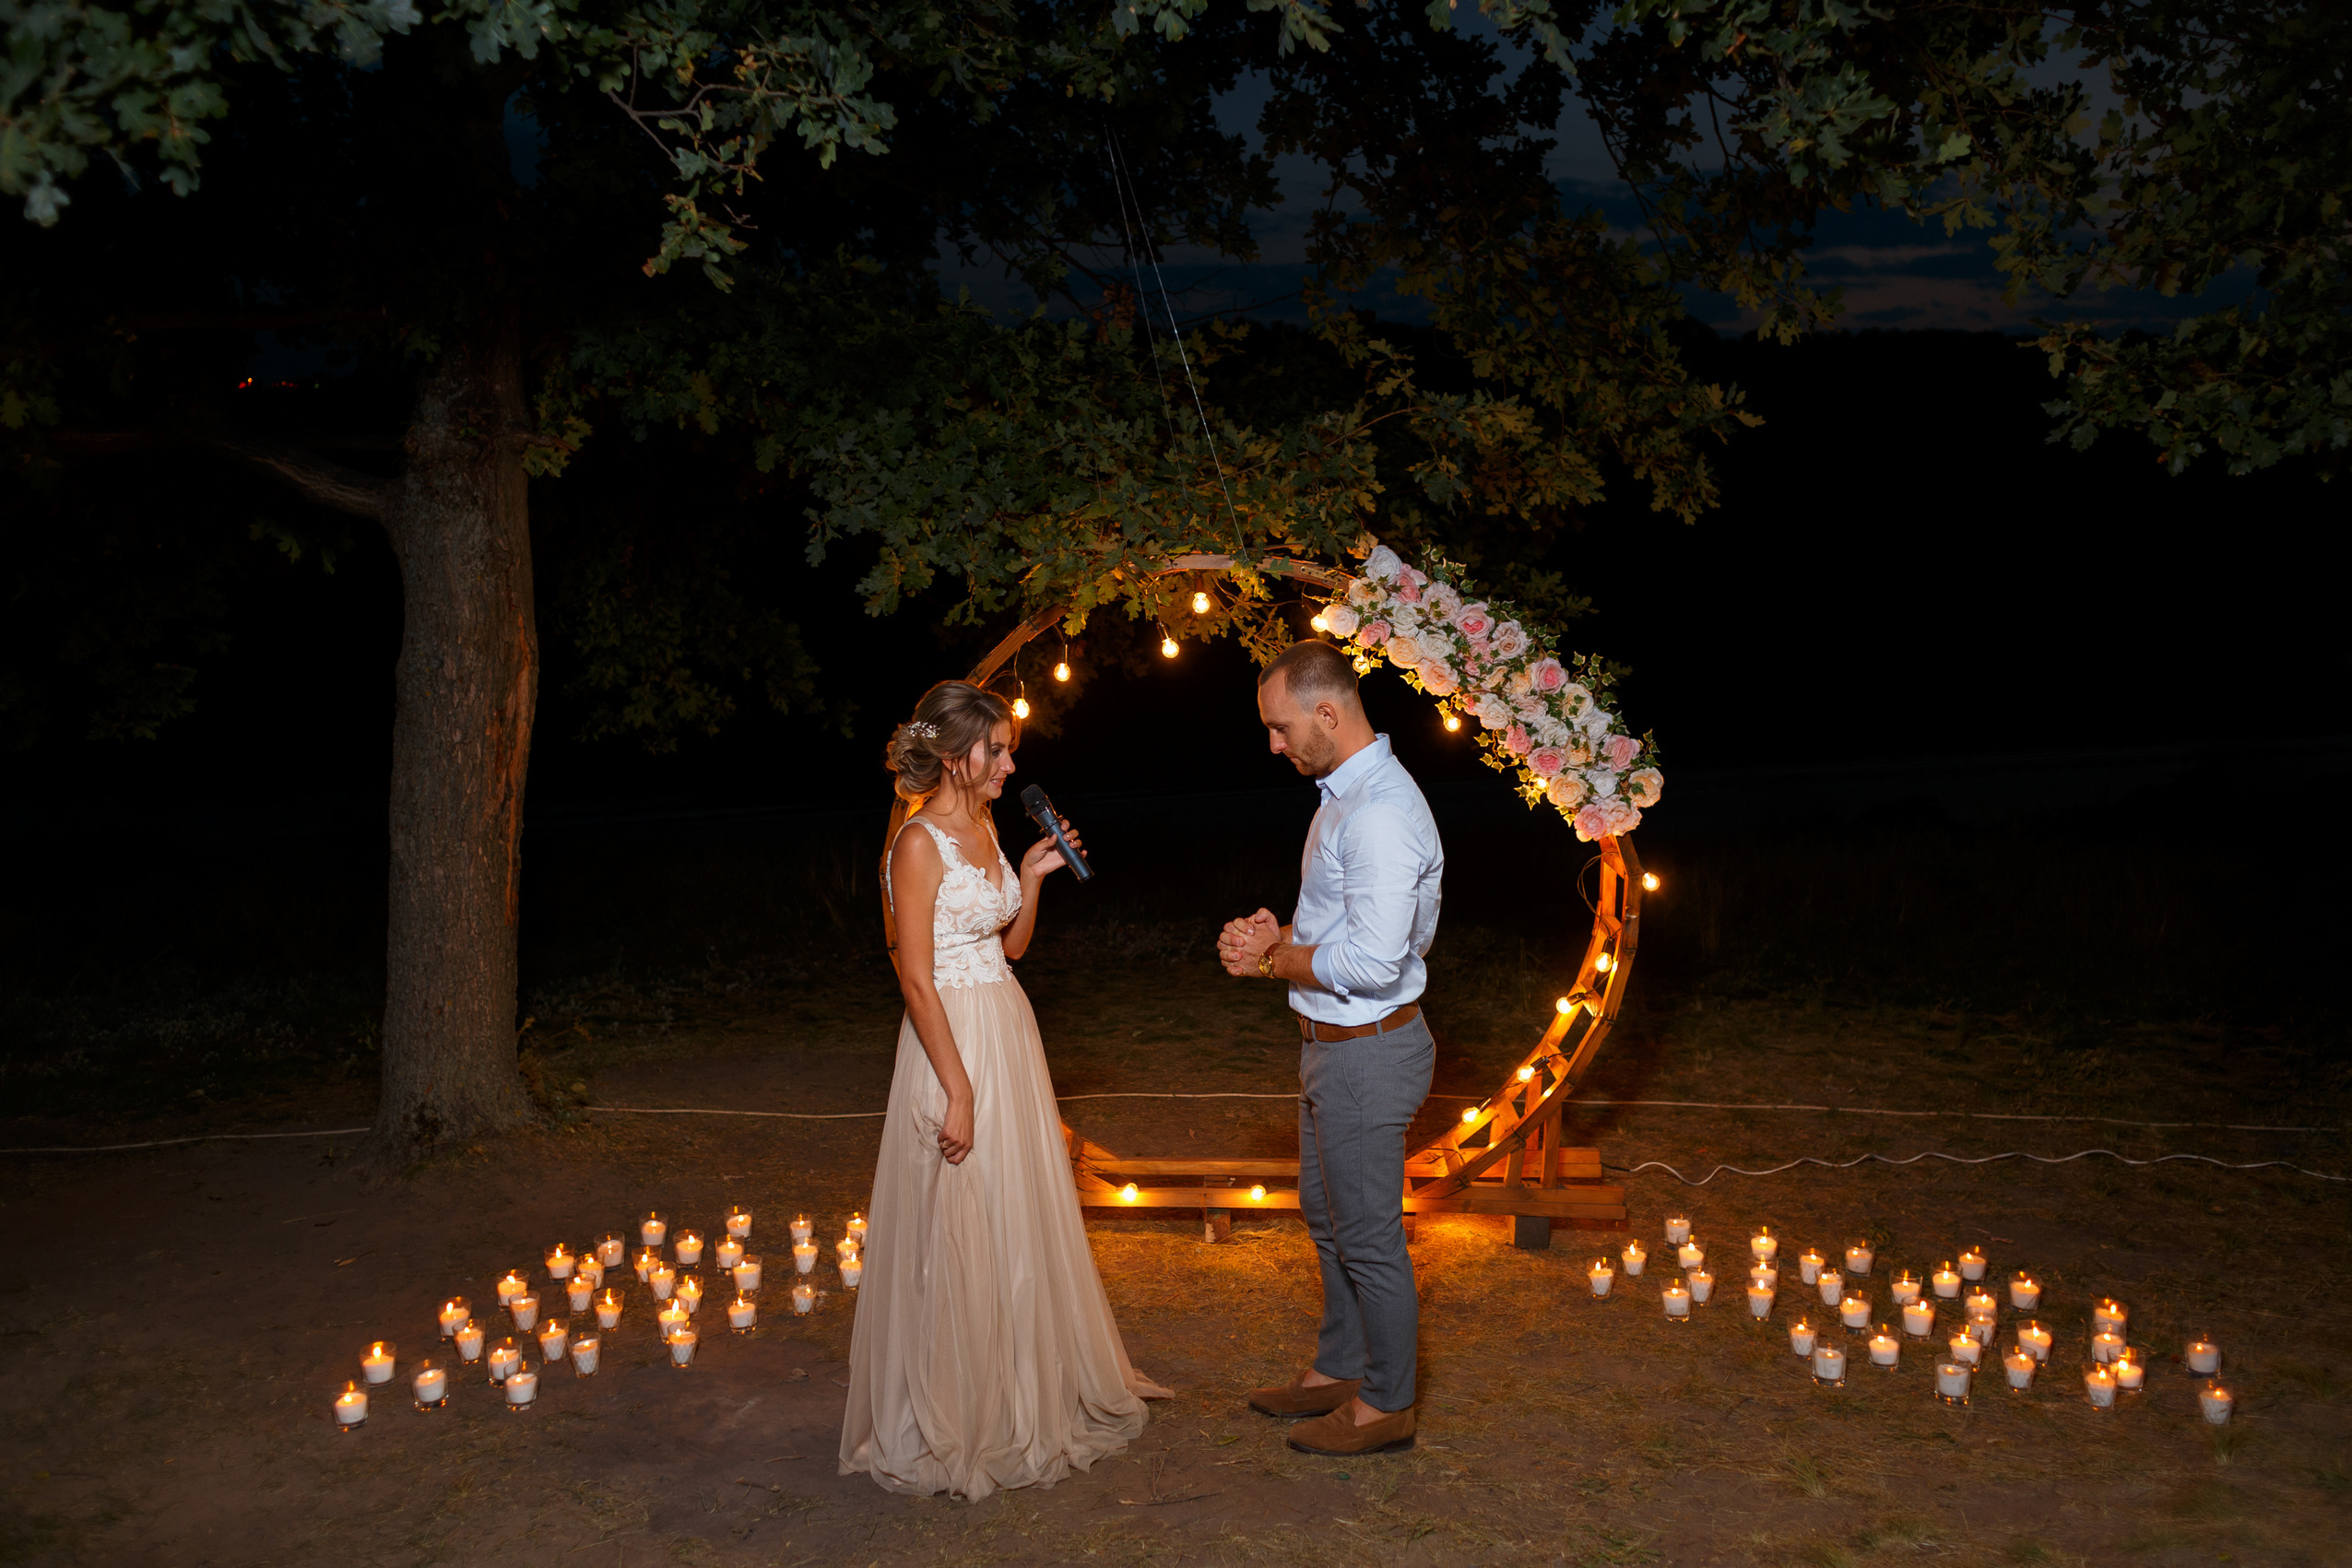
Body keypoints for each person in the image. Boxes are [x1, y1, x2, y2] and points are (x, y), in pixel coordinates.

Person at [839, 678, 1171, 1502]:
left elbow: (1009, 945)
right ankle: (962, 1406)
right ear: (957, 757)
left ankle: (1027, 1384)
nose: (1011, 762)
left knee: (1017, 1211)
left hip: (1007, 1029)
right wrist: (957, 1091)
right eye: (998, 749)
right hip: (950, 1041)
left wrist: (1031, 872)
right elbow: (914, 979)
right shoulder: (915, 845)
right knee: (961, 1220)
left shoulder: (984, 824)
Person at [1217, 640, 1444, 1458]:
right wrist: (1278, 933)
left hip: (1367, 1053)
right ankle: (1341, 1367)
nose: (1273, 744)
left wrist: (1276, 959)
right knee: (1329, 1216)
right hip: (1331, 1047)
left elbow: (1376, 962)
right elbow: (1349, 931)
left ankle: (1386, 1405)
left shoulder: (1379, 810)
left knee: (1368, 1233)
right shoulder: (1340, 797)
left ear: (1326, 711)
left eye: (1280, 727)